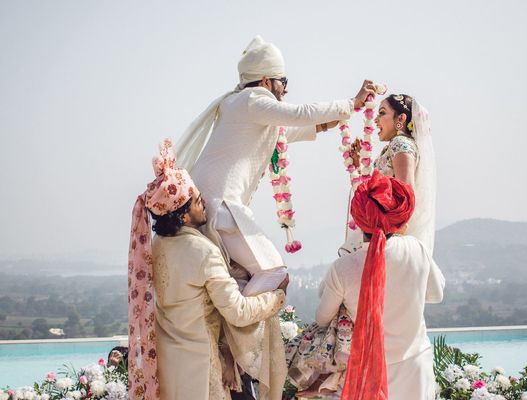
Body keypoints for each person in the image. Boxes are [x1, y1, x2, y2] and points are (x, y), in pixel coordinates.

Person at [176, 36, 376, 288]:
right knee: (275, 274)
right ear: (264, 81)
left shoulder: (249, 112)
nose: (286, 88)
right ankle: (241, 318)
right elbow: (300, 114)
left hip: (215, 208)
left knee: (242, 280)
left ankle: (233, 322)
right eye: (283, 82)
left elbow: (305, 127)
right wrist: (351, 102)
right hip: (221, 208)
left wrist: (346, 112)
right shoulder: (251, 100)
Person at [127, 139, 289, 400]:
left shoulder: (155, 246)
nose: (203, 204)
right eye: (197, 201)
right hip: (202, 371)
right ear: (182, 214)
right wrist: (275, 297)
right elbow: (237, 311)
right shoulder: (203, 251)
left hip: (167, 368)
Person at [287, 171, 445, 399]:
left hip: (366, 375)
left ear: (359, 219)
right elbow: (436, 294)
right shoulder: (416, 249)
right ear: (398, 216)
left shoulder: (343, 268)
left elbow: (322, 318)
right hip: (416, 369)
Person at [347, 94, 436, 254]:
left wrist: (391, 232)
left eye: (382, 113)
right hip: (385, 233)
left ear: (400, 118)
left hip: (390, 239)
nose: (375, 120)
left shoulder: (400, 144)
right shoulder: (394, 147)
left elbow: (406, 192)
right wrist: (358, 166)